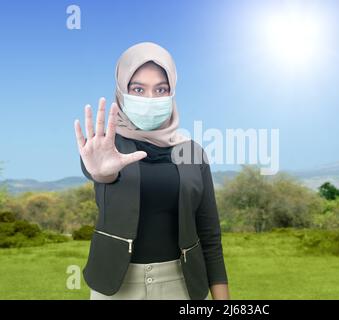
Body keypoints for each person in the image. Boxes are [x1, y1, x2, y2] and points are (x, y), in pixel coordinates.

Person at [73, 42, 230, 300]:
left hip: (182, 284)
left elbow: (210, 236)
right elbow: (100, 172)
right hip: (115, 286)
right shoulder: (104, 146)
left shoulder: (192, 152)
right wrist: (102, 174)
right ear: (122, 91)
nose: (150, 99)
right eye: (138, 89)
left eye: (161, 89)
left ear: (172, 93)